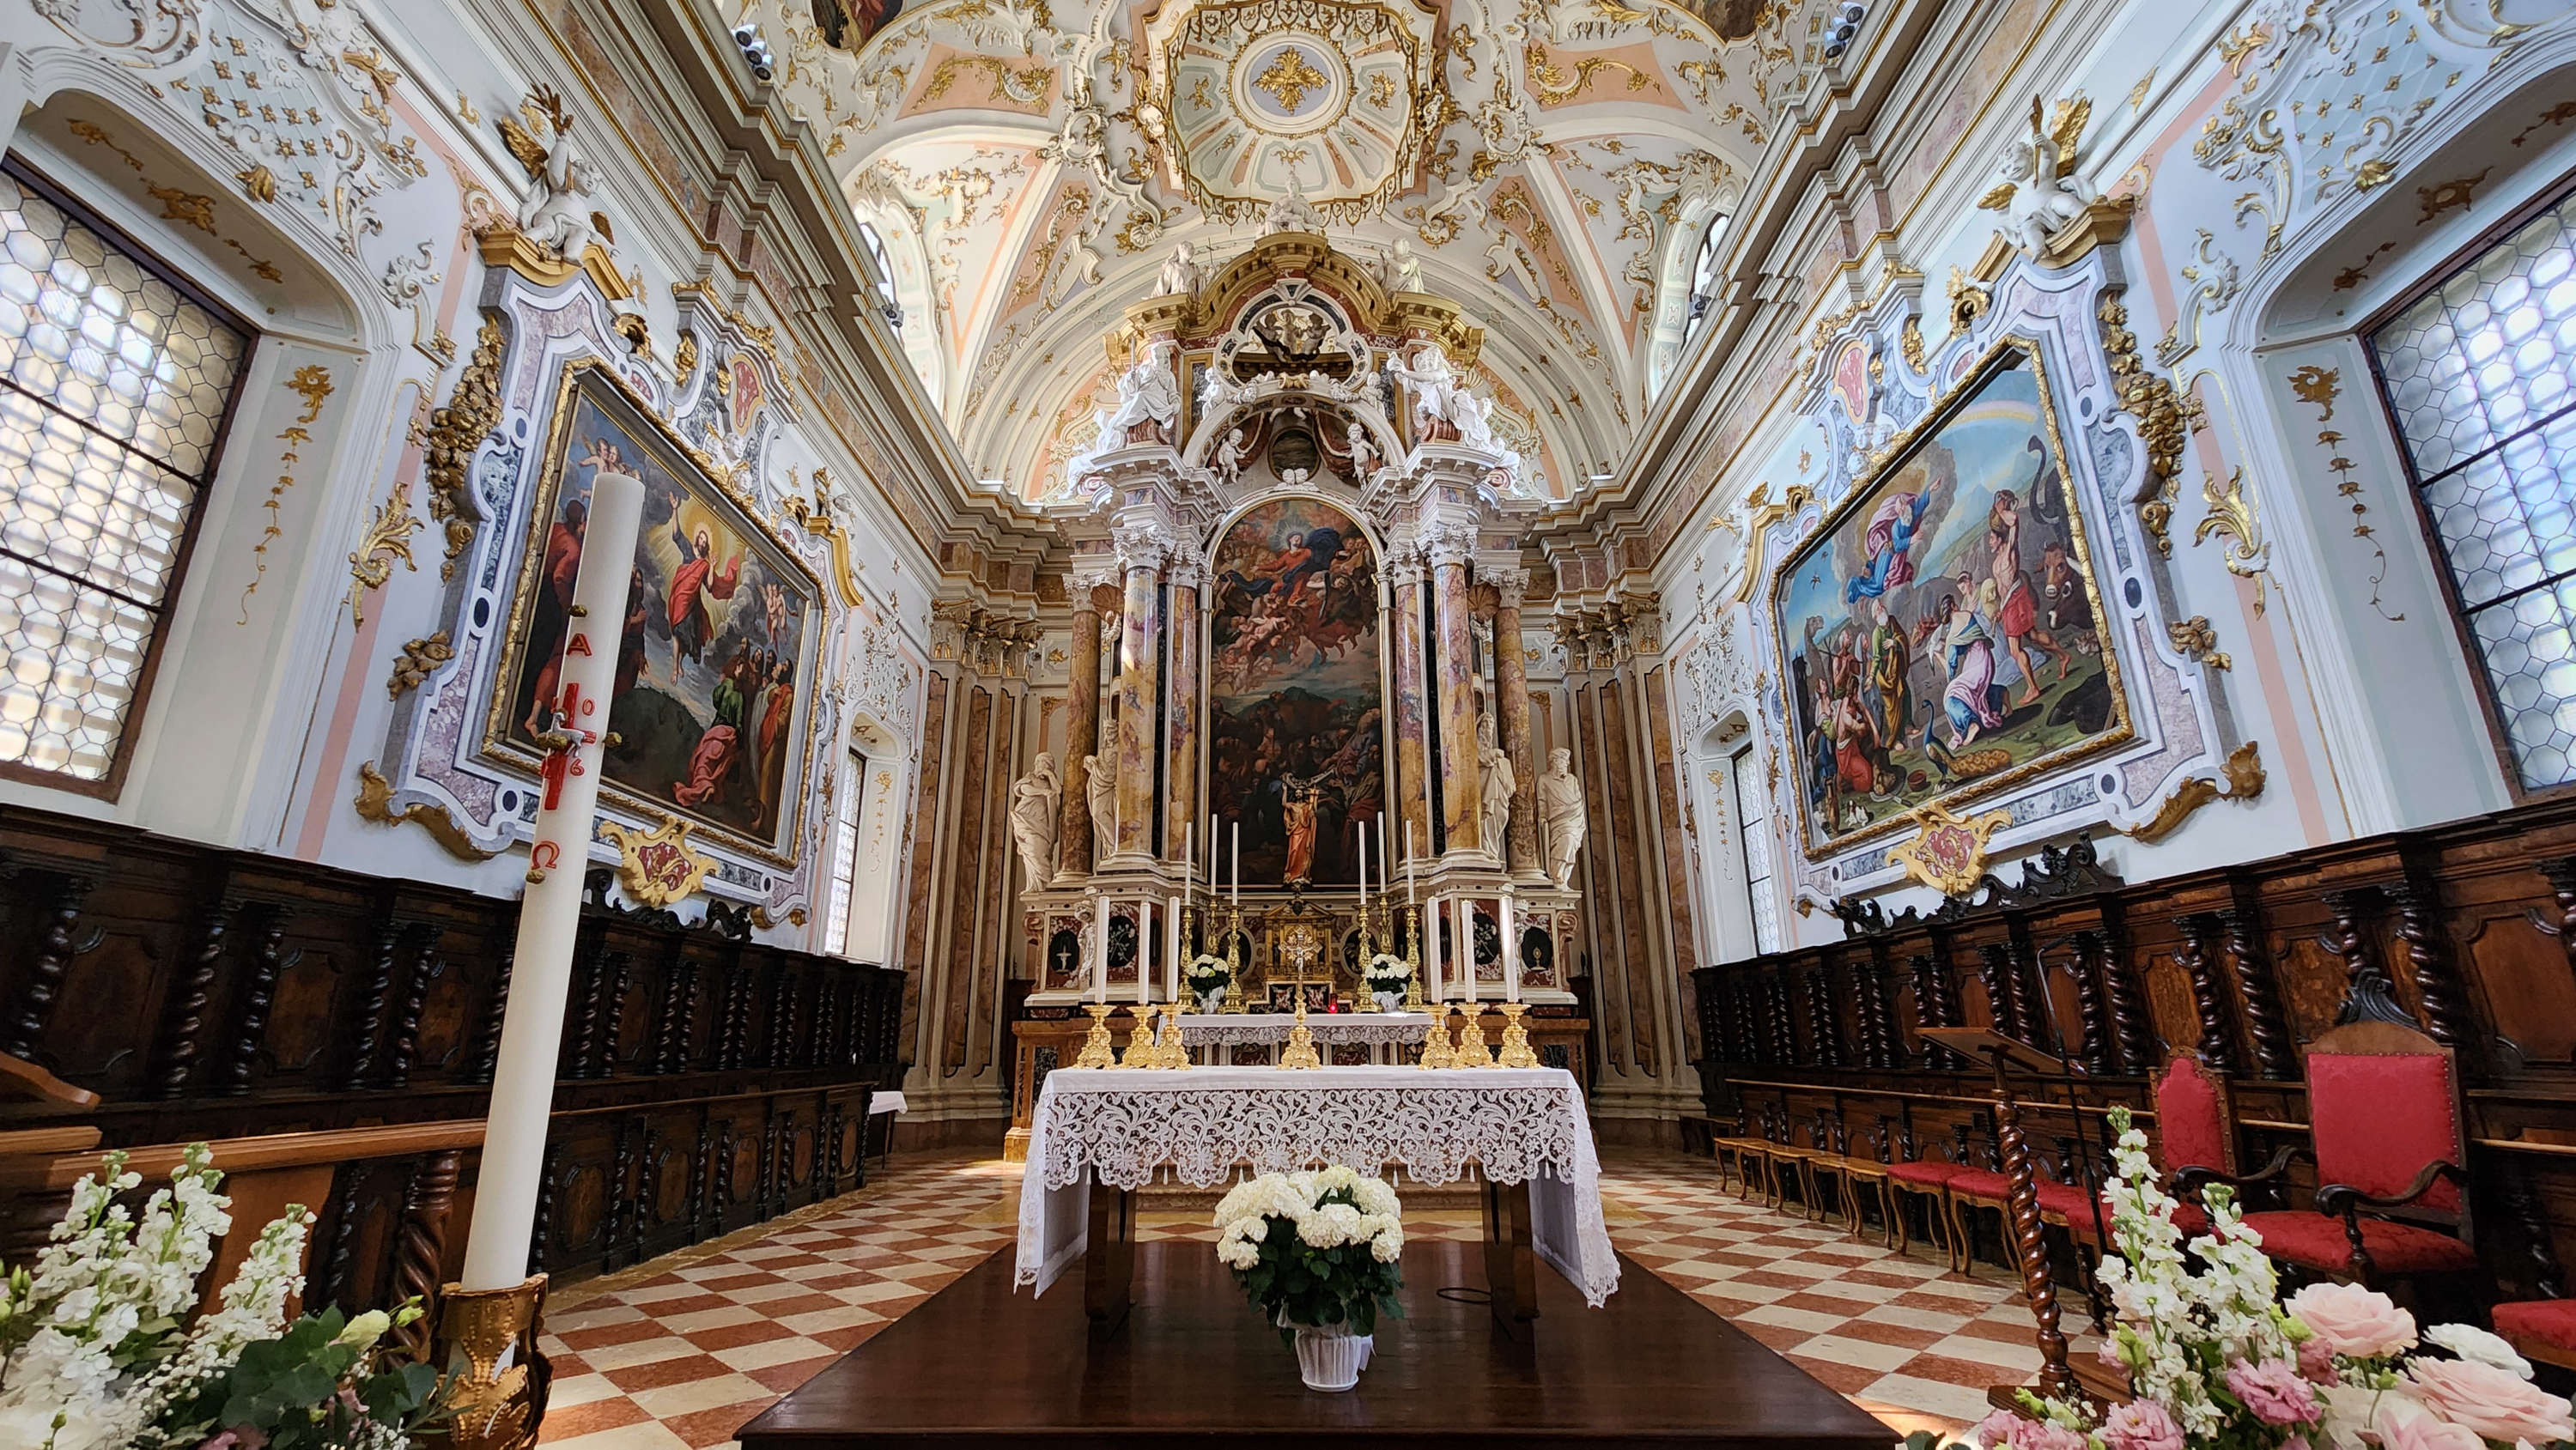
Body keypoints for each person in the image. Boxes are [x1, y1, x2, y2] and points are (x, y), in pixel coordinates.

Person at [520, 495, 587, 736]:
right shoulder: (574, 547)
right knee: (543, 650)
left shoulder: (556, 529)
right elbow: (559, 577)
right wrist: (567, 607)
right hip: (551, 597)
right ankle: (527, 708)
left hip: (534, 585)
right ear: (581, 521)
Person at [665, 518, 744, 683]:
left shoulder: (705, 565)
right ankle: (675, 667)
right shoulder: (688, 549)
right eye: (701, 539)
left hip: (693, 602)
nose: (702, 542)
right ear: (697, 540)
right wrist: (674, 509)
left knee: (689, 635)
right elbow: (676, 534)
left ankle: (679, 663)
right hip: (680, 595)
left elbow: (709, 586)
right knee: (678, 631)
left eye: (705, 541)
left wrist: (713, 566)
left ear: (706, 546)